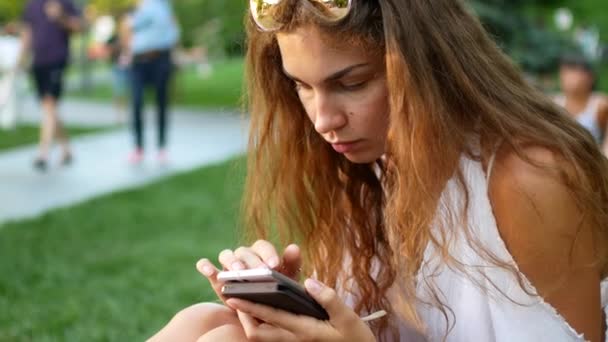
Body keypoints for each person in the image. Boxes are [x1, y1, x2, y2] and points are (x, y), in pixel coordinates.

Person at [149, 1, 608, 341]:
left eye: (351, 83)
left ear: (429, 65)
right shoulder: (376, 169)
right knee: (211, 324)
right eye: (301, 87)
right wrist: (301, 304)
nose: (323, 120)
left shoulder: (529, 180)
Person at [19, 0, 83, 171]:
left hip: (57, 60)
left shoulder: (65, 3)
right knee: (49, 107)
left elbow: (78, 28)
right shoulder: (31, 5)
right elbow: (27, 32)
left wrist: (60, 16)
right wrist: (21, 59)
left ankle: (43, 154)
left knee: (49, 103)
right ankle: (66, 150)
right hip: (38, 62)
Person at [124, 0, 179, 164]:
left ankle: (162, 148)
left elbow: (172, 29)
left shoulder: (164, 5)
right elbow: (127, 29)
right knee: (136, 102)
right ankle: (138, 147)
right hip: (139, 61)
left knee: (162, 103)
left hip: (160, 58)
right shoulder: (138, 7)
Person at [555, 54, 608, 156]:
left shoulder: (600, 104)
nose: (567, 77)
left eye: (573, 72)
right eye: (564, 73)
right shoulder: (555, 103)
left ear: (589, 77)